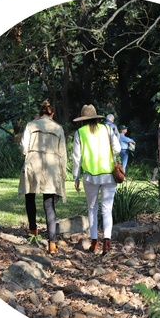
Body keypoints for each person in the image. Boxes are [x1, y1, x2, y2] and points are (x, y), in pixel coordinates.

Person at [71, 104, 120, 254]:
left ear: (83, 119)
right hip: (108, 174)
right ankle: (107, 242)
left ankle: (94, 243)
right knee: (107, 209)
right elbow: (117, 149)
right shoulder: (107, 129)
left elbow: (76, 157)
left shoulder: (80, 132)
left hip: (89, 176)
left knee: (92, 209)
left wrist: (75, 176)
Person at [21, 100, 68, 254]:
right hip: (51, 166)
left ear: (40, 113)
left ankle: (33, 229)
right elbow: (63, 153)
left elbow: (23, 147)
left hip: (33, 163)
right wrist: (63, 172)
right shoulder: (58, 128)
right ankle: (52, 243)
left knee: (30, 196)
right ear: (52, 114)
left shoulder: (30, 125)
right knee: (49, 204)